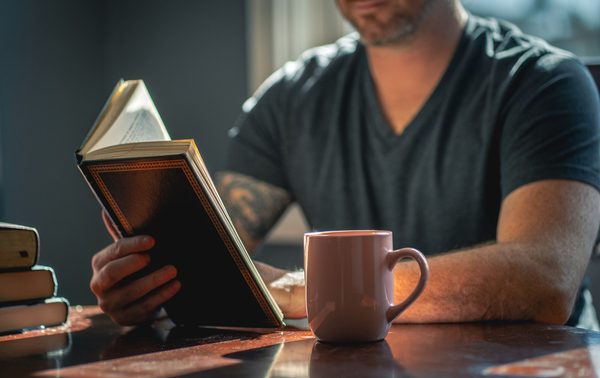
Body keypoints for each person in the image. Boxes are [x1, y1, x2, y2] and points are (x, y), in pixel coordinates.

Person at [90, 0, 600, 328]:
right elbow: (220, 256)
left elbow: (546, 281)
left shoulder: (545, 83)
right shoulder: (291, 98)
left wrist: (303, 292)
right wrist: (150, 282)